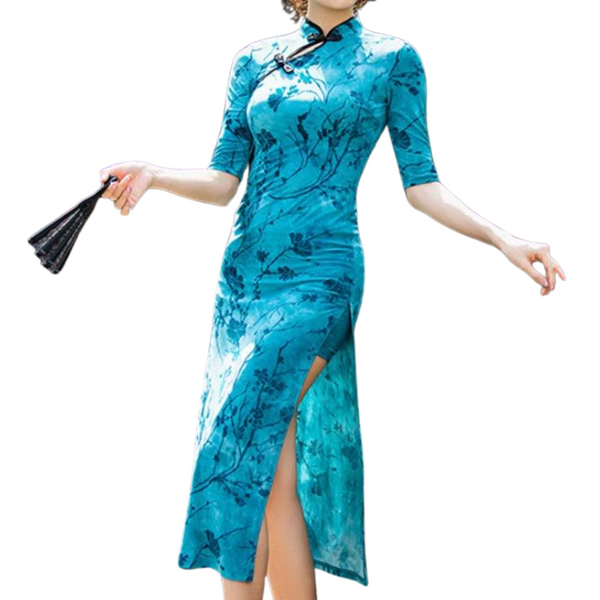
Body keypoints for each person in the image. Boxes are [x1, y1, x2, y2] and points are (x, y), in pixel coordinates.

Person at [99, 1, 565, 599]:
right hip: (245, 280)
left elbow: (422, 184)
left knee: (243, 442)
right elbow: (222, 182)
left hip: (322, 276)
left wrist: (504, 238)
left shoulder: (392, 60)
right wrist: (152, 173)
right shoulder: (254, 61)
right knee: (265, 464)